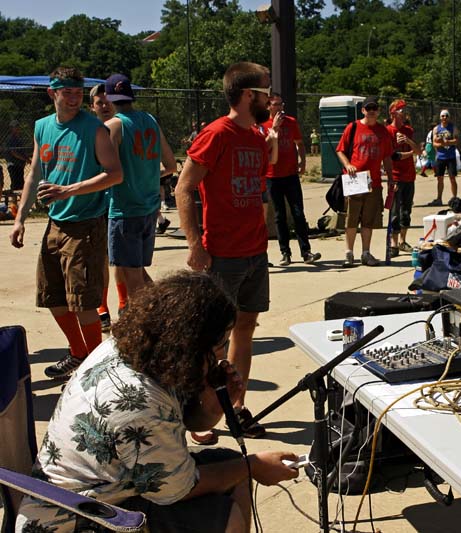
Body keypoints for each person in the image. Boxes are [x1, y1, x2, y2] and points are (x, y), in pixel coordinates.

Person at [15, 271, 300, 533]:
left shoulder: (141, 351)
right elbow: (177, 489)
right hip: (76, 520)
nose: (222, 352)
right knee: (223, 516)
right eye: (218, 344)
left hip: (113, 490)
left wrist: (212, 405)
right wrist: (253, 466)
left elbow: (182, 425)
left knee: (231, 469)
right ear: (189, 342)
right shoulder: (136, 399)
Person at [175, 61, 277, 443]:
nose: (272, 99)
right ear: (249, 95)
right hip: (221, 255)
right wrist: (195, 244)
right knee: (211, 341)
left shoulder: (256, 136)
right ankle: (201, 416)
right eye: (266, 92)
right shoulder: (216, 134)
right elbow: (183, 188)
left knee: (245, 331)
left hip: (254, 253)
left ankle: (235, 408)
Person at [9, 66, 122, 380]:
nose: (73, 99)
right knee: (53, 297)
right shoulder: (43, 126)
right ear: (52, 93)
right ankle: (79, 354)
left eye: (77, 92)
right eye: (67, 92)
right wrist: (19, 219)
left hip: (86, 225)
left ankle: (98, 370)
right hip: (54, 223)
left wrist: (68, 190)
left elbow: (114, 174)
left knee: (84, 302)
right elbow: (34, 174)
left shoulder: (94, 129)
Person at [104, 73, 177, 296]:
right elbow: (171, 165)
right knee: (136, 271)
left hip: (124, 210)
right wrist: (147, 177)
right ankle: (163, 308)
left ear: (108, 98)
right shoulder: (150, 120)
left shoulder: (113, 126)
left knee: (132, 278)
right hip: (149, 209)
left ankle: (151, 321)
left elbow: (109, 173)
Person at [260, 93, 321, 266]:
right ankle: (285, 252)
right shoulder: (263, 126)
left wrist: (302, 161)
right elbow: (264, 149)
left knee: (298, 213)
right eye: (275, 105)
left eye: (281, 104)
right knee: (279, 215)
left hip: (290, 174)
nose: (279, 108)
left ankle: (306, 251)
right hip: (273, 176)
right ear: (268, 107)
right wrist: (275, 128)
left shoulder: (291, 122)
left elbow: (300, 144)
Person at [335, 96, 393, 267]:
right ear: (363, 110)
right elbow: (340, 150)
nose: (371, 111)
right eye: (368, 108)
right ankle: (349, 253)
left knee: (369, 220)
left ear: (378, 110)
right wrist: (348, 164)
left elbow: (387, 157)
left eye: (374, 108)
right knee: (352, 218)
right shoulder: (353, 127)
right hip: (355, 180)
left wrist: (391, 178)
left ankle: (365, 253)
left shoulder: (382, 132)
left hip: (373, 182)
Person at [89, 82, 127, 332]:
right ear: (92, 107)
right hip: (97, 203)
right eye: (99, 102)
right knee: (103, 258)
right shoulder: (90, 130)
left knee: (121, 260)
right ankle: (102, 308)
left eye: (107, 101)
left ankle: (124, 304)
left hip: (122, 202)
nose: (104, 105)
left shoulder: (122, 127)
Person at [386, 99, 419, 256]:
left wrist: (408, 141)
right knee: (395, 211)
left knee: (406, 210)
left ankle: (402, 241)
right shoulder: (388, 132)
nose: (404, 113)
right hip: (396, 177)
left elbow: (418, 149)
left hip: (409, 176)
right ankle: (393, 244)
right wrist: (411, 154)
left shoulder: (408, 130)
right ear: (393, 113)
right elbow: (393, 156)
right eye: (401, 110)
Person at [429, 109, 460, 206]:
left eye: (446, 116)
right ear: (440, 117)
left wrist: (447, 142)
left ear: (449, 117)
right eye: (442, 116)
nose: (444, 118)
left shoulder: (453, 128)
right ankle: (439, 199)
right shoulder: (436, 129)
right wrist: (441, 144)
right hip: (441, 157)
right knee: (440, 178)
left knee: (452, 178)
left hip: (451, 156)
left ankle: (454, 198)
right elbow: (434, 142)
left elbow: (456, 141)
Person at [4, 119, 28, 194]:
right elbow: (14, 153)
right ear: (11, 128)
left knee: (21, 184)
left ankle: (20, 202)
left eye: (18, 126)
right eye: (15, 127)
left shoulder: (19, 138)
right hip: (13, 164)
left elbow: (21, 151)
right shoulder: (10, 138)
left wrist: (26, 159)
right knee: (15, 184)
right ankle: (13, 203)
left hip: (19, 164)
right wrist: (25, 159)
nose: (17, 128)